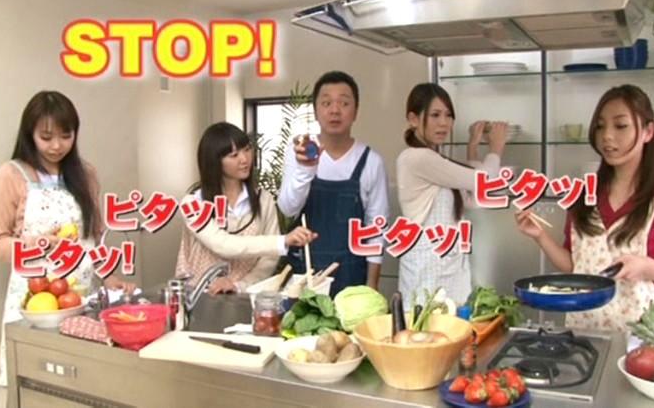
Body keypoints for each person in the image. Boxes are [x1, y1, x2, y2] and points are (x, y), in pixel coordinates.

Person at [0, 90, 136, 407]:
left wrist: (110, 278)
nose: (56, 146)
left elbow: (94, 237)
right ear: (30, 134)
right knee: (35, 386)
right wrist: (36, 245)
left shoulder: (85, 175)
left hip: (80, 298)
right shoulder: (12, 175)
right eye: (46, 137)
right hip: (33, 303)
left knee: (84, 386)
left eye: (66, 136)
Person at [515, 84, 654, 332]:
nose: (607, 136)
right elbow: (575, 267)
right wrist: (540, 236)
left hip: (640, 339)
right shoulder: (583, 194)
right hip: (583, 332)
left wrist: (646, 267)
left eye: (620, 126)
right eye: (600, 126)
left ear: (648, 132)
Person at [396, 83, 509, 311]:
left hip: (443, 264)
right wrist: (496, 148)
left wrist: (473, 148)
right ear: (413, 119)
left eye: (448, 115)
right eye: (435, 115)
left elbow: (471, 198)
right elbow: (484, 181)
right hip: (427, 268)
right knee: (425, 329)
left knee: (449, 328)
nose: (444, 123)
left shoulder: (434, 159)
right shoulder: (416, 158)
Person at [278, 71, 390, 296]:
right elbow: (288, 208)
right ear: (316, 111)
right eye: (326, 103)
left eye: (344, 103)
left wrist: (372, 286)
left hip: (352, 274)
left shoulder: (371, 161)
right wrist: (306, 169)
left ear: (356, 111)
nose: (335, 110)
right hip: (305, 272)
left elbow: (377, 227)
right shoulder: (298, 152)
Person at [175, 122, 317, 294]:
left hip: (245, 296)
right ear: (215, 161)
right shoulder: (193, 203)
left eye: (247, 149)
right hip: (199, 296)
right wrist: (283, 240)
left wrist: (239, 286)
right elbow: (222, 244)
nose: (244, 159)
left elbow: (269, 259)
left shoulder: (263, 199)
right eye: (234, 155)